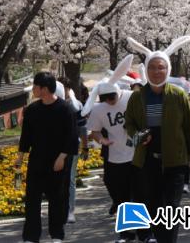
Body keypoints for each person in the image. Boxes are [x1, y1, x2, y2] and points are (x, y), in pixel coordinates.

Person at [124, 36, 190, 243]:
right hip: (146, 158)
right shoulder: (137, 97)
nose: (157, 72)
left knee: (171, 208)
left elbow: (189, 127)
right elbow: (129, 124)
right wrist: (138, 136)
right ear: (146, 70)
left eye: (161, 67)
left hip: (175, 159)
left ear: (168, 69)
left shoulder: (178, 95)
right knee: (153, 206)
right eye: (152, 67)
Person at [15, 72, 76, 243]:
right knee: (32, 199)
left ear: (45, 89)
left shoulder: (65, 109)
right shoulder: (32, 110)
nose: (33, 90)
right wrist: (20, 157)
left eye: (35, 87)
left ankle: (56, 234)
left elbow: (71, 137)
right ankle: (31, 236)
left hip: (57, 160)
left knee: (56, 199)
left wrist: (62, 157)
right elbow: (26, 137)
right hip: (37, 160)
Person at [87, 55, 136, 243]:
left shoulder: (131, 98)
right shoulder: (99, 109)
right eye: (105, 98)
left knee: (135, 195)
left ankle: (141, 233)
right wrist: (102, 140)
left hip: (136, 154)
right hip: (115, 157)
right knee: (120, 195)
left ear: (118, 92)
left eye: (112, 97)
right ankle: (128, 233)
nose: (110, 101)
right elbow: (94, 131)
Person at [56, 76, 84, 224]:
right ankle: (59, 208)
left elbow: (83, 127)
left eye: (64, 88)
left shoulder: (75, 104)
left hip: (72, 146)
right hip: (55, 148)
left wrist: (86, 146)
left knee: (70, 179)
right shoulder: (52, 104)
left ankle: (70, 210)